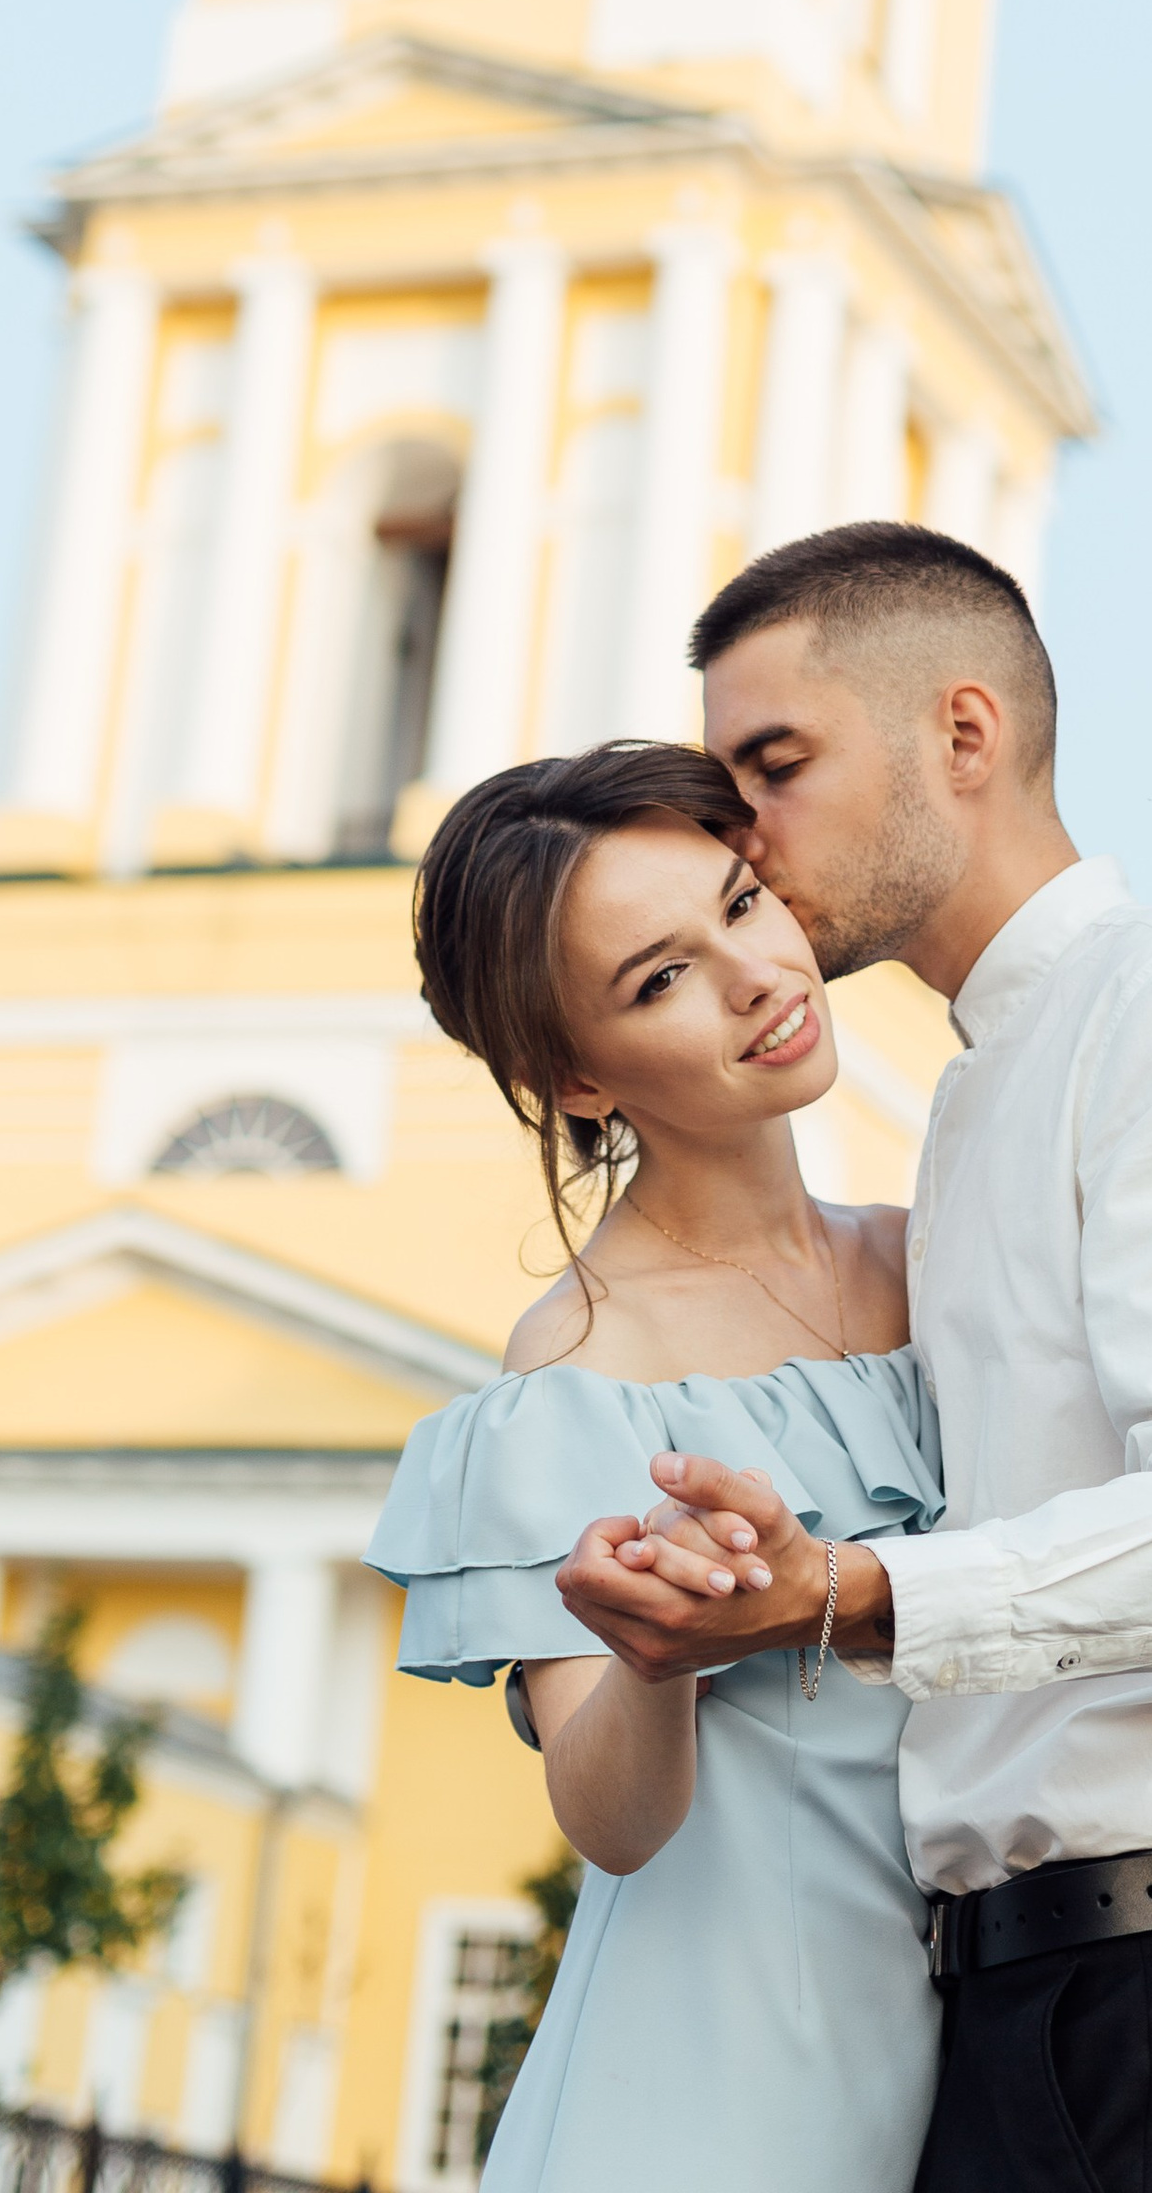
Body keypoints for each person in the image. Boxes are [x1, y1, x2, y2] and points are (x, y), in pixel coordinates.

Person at [554, 520, 1152, 2193]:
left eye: (778, 763)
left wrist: (839, 1593)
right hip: (1012, 1997)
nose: (744, 831)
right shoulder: (969, 1109)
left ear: (964, 735)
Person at [364, 739, 947, 2193]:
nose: (756, 975)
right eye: (661, 979)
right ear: (571, 1075)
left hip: (986, 2051)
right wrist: (656, 1649)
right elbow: (609, 1822)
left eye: (744, 904)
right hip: (714, 2093)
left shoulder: (943, 1263)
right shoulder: (580, 1369)